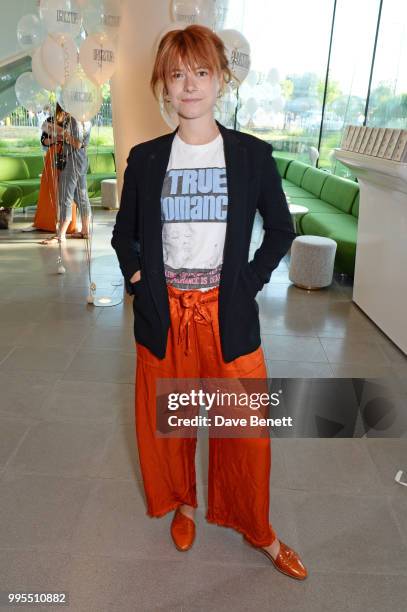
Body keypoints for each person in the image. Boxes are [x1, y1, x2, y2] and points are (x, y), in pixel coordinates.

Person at [111, 25, 307, 580]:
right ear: (164, 87)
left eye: (201, 72)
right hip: (166, 313)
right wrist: (138, 276)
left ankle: (258, 528)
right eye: (177, 75)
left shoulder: (249, 156)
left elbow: (280, 230)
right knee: (171, 420)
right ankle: (182, 502)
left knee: (245, 429)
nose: (189, 85)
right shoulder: (147, 159)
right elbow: (123, 235)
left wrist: (247, 283)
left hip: (227, 313)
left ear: (221, 79)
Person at [40, 108, 92, 245]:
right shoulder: (86, 119)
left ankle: (60, 235)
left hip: (72, 160)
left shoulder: (74, 119)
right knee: (81, 197)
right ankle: (85, 231)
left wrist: (60, 132)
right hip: (81, 159)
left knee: (66, 196)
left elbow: (77, 143)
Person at [25, 104, 79, 235]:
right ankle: (47, 222)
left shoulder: (73, 122)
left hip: (68, 155)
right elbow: (44, 141)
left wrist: (64, 136)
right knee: (50, 186)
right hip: (53, 154)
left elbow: (78, 141)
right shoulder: (50, 120)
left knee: (66, 188)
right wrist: (56, 138)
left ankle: (67, 224)